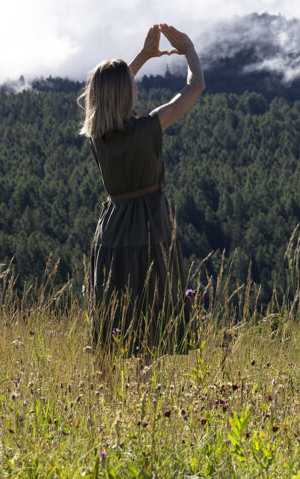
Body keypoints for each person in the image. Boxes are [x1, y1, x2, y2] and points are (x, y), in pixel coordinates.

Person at [79, 23, 205, 366]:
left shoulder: (97, 137)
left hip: (112, 230)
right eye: (132, 84)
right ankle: (144, 390)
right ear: (127, 93)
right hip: (150, 226)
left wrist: (142, 57)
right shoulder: (149, 127)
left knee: (111, 316)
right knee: (151, 314)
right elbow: (195, 86)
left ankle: (101, 385)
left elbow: (104, 96)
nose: (136, 86)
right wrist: (190, 50)